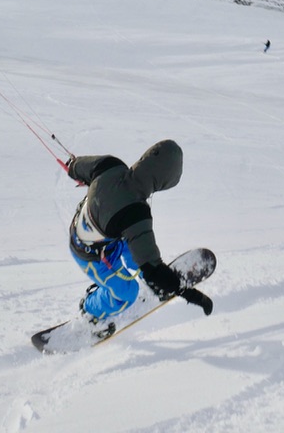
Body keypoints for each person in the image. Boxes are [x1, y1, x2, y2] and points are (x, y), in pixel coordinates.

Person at [66, 139, 212, 332]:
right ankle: (90, 310)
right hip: (91, 256)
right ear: (164, 182)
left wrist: (73, 168)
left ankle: (148, 280)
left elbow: (77, 167)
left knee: (135, 248)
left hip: (101, 235)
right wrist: (190, 294)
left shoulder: (111, 165)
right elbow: (153, 268)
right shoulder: (136, 214)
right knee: (127, 293)